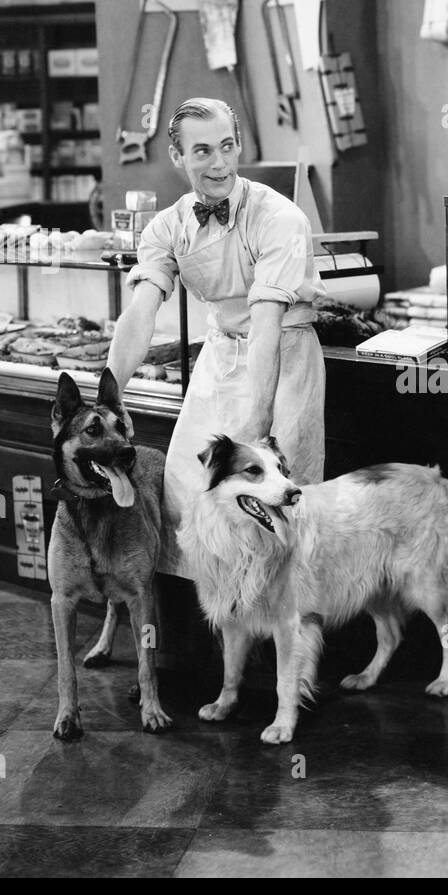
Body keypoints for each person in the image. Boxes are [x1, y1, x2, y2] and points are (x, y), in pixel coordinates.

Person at [106, 97, 326, 576]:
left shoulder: (281, 218)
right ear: (177, 157)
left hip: (284, 362)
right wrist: (110, 395)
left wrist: (258, 425)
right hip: (218, 357)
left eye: (227, 146)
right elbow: (141, 312)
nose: (219, 163)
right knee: (187, 494)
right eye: (202, 151)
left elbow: (267, 322)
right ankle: (205, 637)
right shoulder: (166, 226)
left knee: (277, 509)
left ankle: (282, 641)